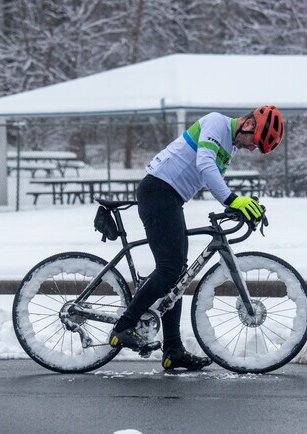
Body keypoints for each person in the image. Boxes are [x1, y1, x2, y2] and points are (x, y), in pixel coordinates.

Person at [109, 105, 285, 370]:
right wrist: (232, 200)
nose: (252, 149)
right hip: (158, 191)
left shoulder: (230, 147)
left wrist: (237, 207)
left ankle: (173, 351)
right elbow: (204, 164)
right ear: (248, 123)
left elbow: (212, 177)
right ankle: (123, 327)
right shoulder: (216, 123)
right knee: (169, 270)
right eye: (254, 142)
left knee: (178, 273)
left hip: (171, 198)